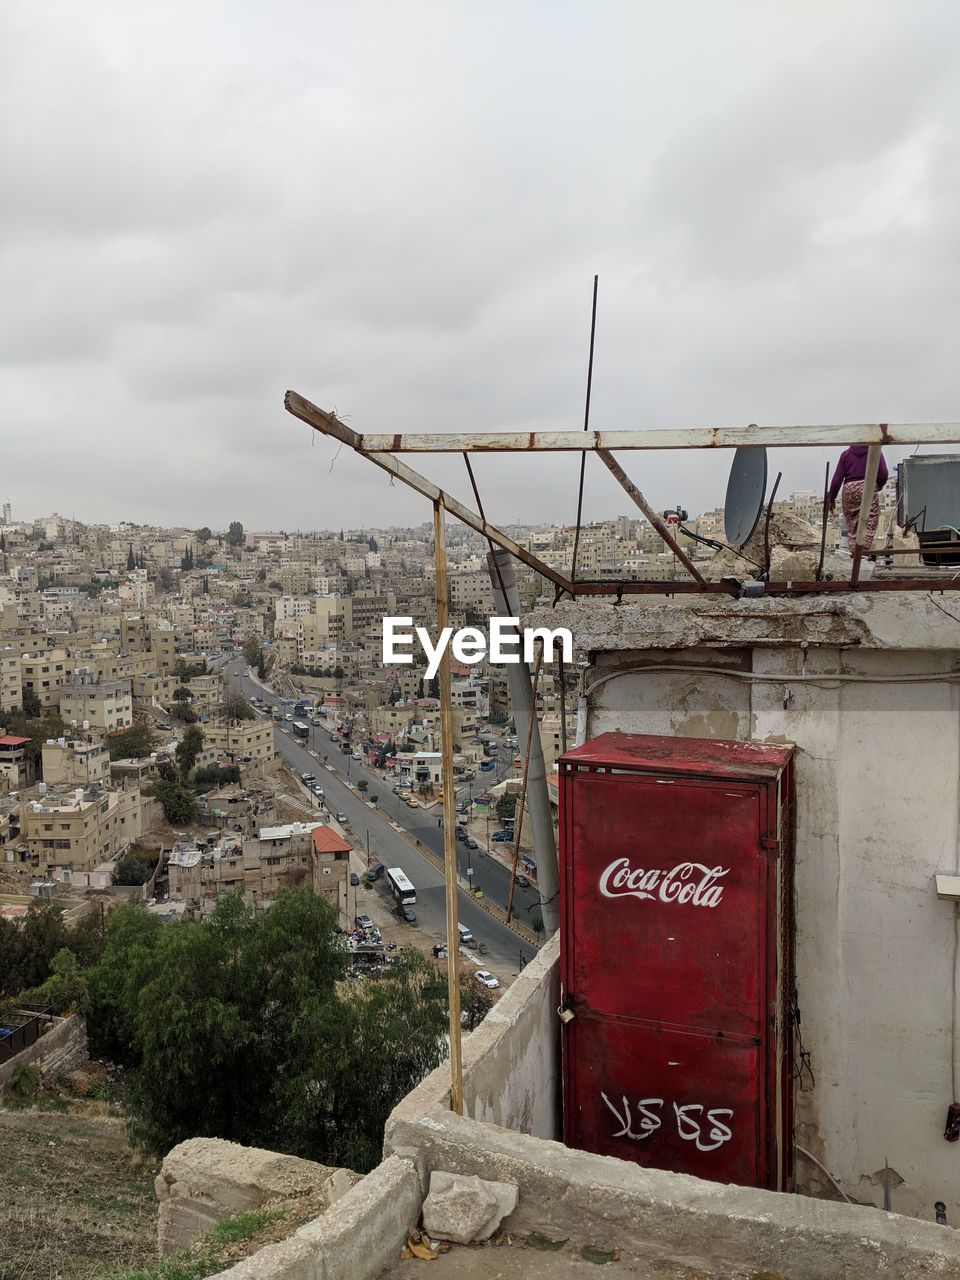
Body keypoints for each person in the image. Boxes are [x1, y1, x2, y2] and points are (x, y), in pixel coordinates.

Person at [828, 445, 889, 555]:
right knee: (870, 520)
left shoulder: (845, 455)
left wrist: (831, 498)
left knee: (852, 523)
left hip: (849, 488)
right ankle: (862, 553)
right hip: (867, 485)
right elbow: (883, 474)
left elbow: (837, 479)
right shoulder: (875, 452)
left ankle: (854, 553)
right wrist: (878, 485)